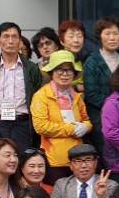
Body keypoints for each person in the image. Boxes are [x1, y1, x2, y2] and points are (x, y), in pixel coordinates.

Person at [0, 21, 43, 153]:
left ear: (20, 41)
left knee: (22, 161)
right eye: (6, 36)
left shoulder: (31, 68)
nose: (10, 41)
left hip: (23, 124)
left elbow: (37, 97)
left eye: (14, 37)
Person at [32, 50, 91, 184]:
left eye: (69, 70)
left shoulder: (76, 96)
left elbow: (86, 120)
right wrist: (71, 129)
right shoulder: (41, 96)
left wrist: (86, 127)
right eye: (60, 69)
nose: (65, 74)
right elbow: (41, 126)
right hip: (54, 160)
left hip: (77, 158)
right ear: (51, 72)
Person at [82, 18, 119, 149]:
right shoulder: (92, 62)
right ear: (100, 37)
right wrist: (116, 106)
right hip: (101, 118)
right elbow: (91, 95)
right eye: (107, 33)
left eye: (115, 33)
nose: (112, 38)